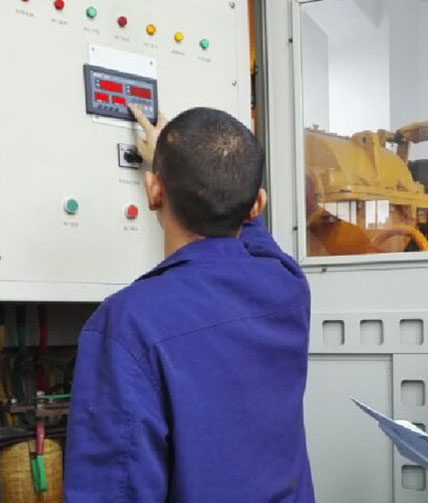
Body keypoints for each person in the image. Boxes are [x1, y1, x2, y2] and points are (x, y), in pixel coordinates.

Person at [64, 105, 315, 502]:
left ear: (153, 191)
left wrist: (167, 160)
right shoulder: (288, 286)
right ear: (257, 204)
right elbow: (253, 231)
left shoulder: (127, 324)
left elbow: (114, 490)